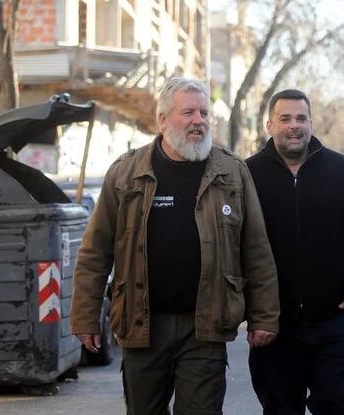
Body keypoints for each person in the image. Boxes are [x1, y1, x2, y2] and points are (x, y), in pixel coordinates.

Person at [70, 77, 280, 415]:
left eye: (204, 113)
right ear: (163, 119)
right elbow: (95, 252)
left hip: (206, 324)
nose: (199, 121)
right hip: (141, 322)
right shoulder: (125, 173)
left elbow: (255, 249)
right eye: (189, 112)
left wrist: (264, 316)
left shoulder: (232, 172)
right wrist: (84, 317)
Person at [246, 89, 344, 414]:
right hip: (274, 327)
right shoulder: (247, 175)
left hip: (335, 326)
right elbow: (232, 247)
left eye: (301, 118)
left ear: (311, 122)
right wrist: (250, 310)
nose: (294, 125)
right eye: (285, 118)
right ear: (269, 125)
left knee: (336, 407)